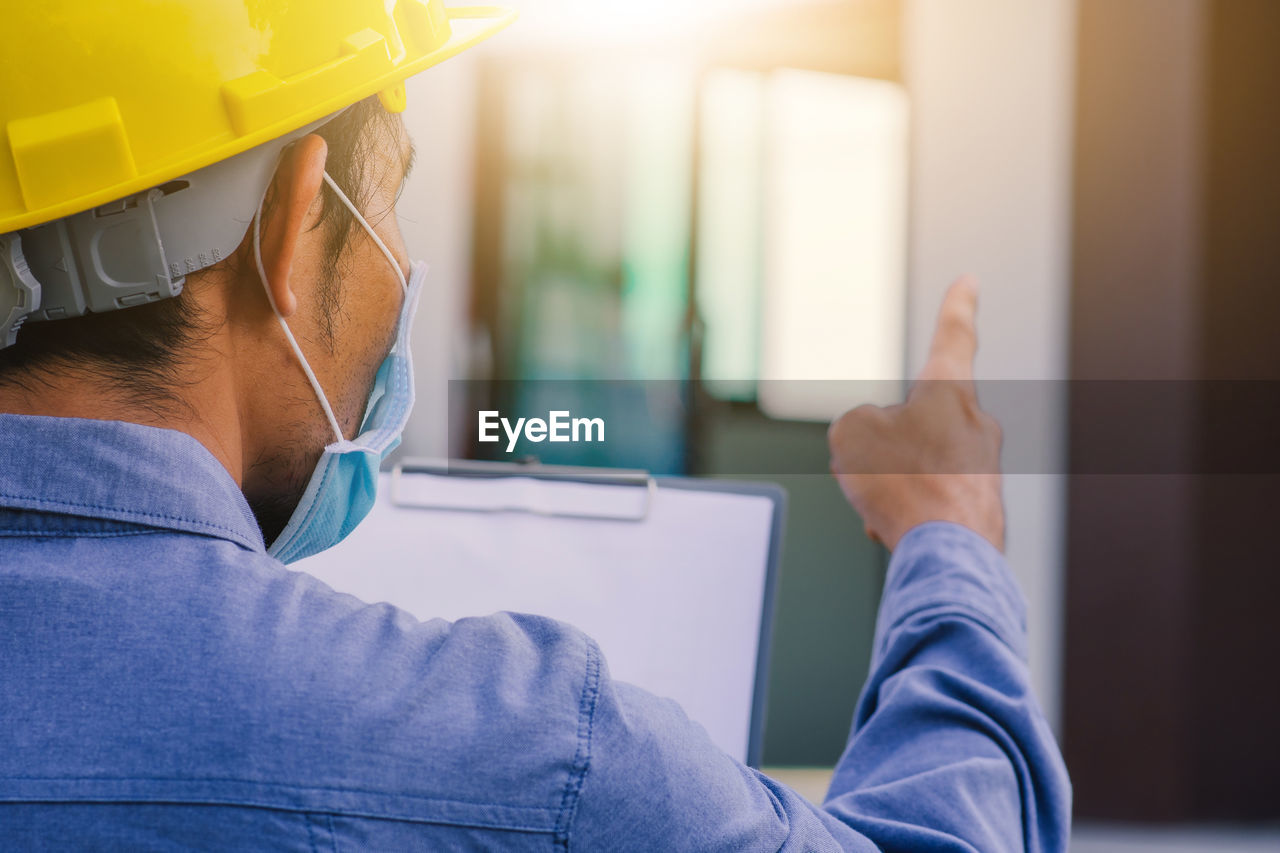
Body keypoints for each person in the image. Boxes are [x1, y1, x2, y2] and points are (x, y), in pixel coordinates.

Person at [0, 2, 1069, 849]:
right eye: (392, 199)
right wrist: (950, 539)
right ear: (293, 225)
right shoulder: (541, 761)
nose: (404, 265)